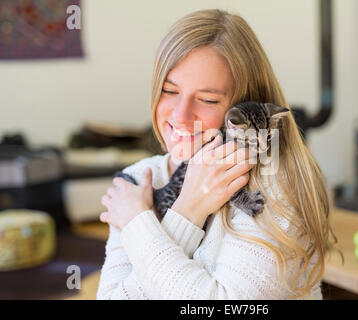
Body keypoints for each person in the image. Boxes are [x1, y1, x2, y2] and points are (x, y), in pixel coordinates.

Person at [96, 8, 337, 300]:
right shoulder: (138, 181)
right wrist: (188, 210)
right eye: (169, 91)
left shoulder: (272, 187)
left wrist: (140, 224)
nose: (181, 116)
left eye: (208, 99)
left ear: (247, 106)